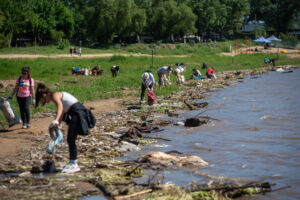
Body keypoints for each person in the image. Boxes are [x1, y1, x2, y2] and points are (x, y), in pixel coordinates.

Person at [35, 83, 96, 173]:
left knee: (71, 139)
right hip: (76, 113)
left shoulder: (55, 95)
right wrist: (57, 125)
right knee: (71, 139)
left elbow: (60, 107)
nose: (44, 102)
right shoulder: (56, 96)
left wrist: (55, 120)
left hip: (78, 113)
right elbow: (62, 113)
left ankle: (74, 164)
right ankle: (72, 162)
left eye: (42, 100)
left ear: (44, 95)